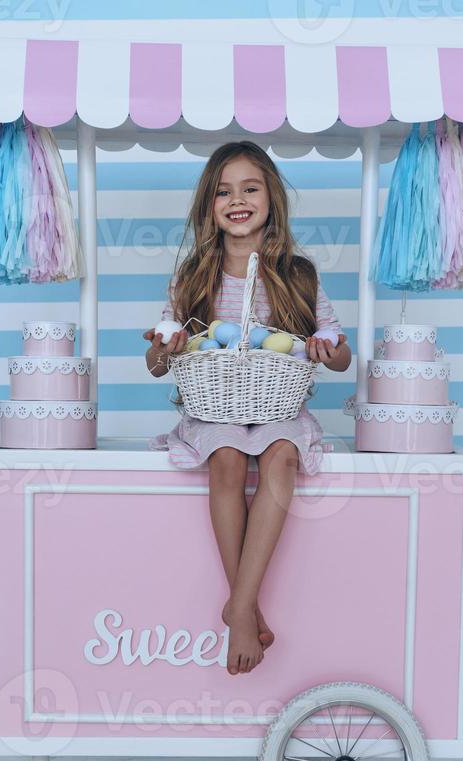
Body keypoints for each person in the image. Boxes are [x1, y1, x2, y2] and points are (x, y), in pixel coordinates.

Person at [143, 141, 351, 677]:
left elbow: (336, 346)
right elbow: (160, 357)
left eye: (250, 188)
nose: (237, 200)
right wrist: (162, 349)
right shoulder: (193, 275)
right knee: (228, 457)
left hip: (276, 402)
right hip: (215, 408)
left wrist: (328, 350)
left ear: (271, 198)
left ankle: (238, 604)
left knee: (282, 453)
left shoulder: (299, 273)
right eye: (223, 191)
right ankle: (247, 607)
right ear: (208, 207)